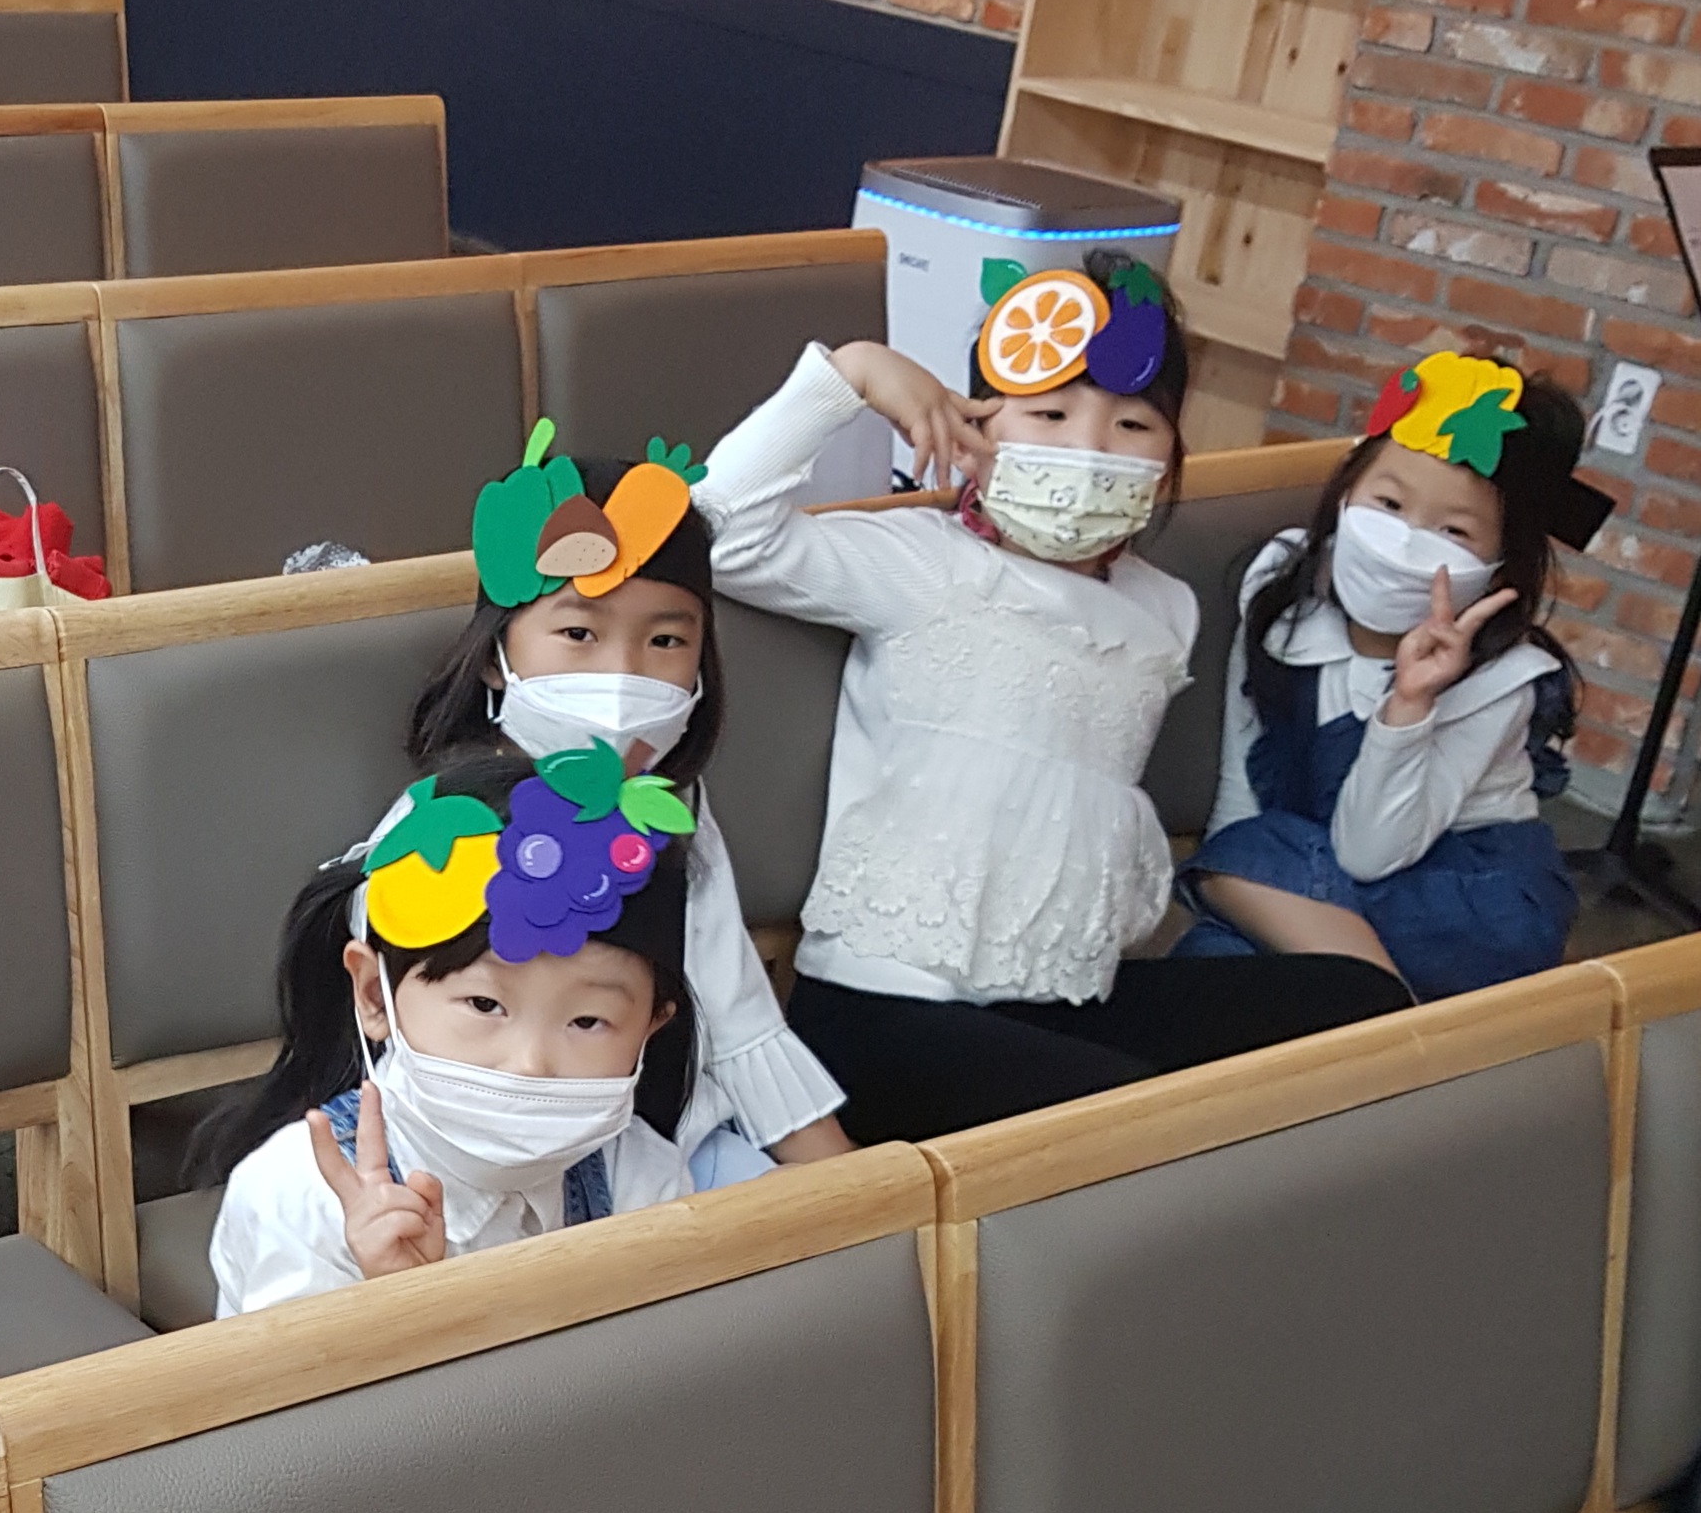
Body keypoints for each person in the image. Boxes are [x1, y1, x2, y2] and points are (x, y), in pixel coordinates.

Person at [698, 251, 1411, 1144]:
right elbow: (717, 532)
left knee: (1357, 1002)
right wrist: (855, 373)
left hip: (1064, 998)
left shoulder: (1166, 608)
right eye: (1048, 413)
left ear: (1170, 456)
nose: (1089, 448)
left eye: (1132, 424)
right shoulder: (923, 561)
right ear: (975, 426)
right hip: (885, 1011)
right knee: (1142, 1129)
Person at [408, 423, 854, 1183]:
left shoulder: (673, 807)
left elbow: (735, 1012)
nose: (623, 673)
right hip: (487, 1163)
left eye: (665, 642)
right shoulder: (447, 816)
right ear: (494, 656)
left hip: (675, 1145)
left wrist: (861, 1191)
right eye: (578, 631)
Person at [197, 742, 701, 1317]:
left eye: (587, 1020)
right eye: (485, 1004)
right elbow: (293, 1378)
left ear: (651, 1024)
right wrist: (399, 1305)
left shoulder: (640, 1173)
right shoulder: (296, 1195)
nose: (531, 1063)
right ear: (374, 994)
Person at [1177, 350, 1615, 1001]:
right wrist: (1238, 879)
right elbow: (1242, 777)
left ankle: (1385, 1011)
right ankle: (1381, 1007)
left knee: (1250, 894)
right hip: (1306, 858)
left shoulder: (1502, 679)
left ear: (1500, 564)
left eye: (1453, 530)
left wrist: (1409, 703)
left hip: (1455, 890)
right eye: (1387, 502)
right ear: (1346, 489)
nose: (1405, 540)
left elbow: (1369, 852)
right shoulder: (1281, 590)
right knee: (1215, 938)